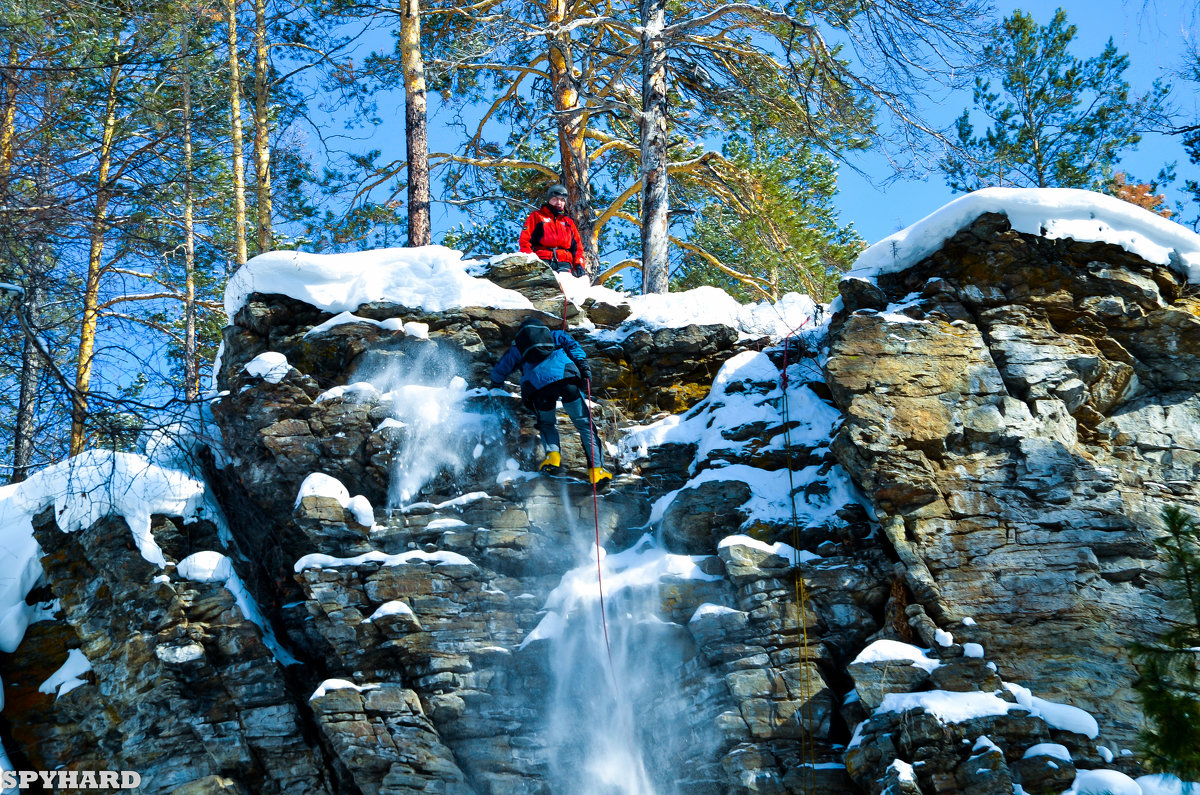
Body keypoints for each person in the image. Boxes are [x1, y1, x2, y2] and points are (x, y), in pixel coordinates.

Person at [490, 316, 612, 486]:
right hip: (566, 380)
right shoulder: (555, 335)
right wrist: (584, 369)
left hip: (539, 389)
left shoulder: (519, 347)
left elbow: (501, 369)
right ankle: (597, 471)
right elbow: (574, 346)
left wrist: (495, 383)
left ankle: (553, 457)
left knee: (547, 424)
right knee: (584, 425)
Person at [519, 184, 588, 278]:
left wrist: (579, 264)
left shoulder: (568, 222)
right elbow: (525, 240)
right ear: (549, 199)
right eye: (555, 198)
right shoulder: (537, 216)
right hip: (543, 261)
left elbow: (577, 248)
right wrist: (529, 259)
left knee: (565, 289)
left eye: (562, 200)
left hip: (565, 264)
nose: (559, 202)